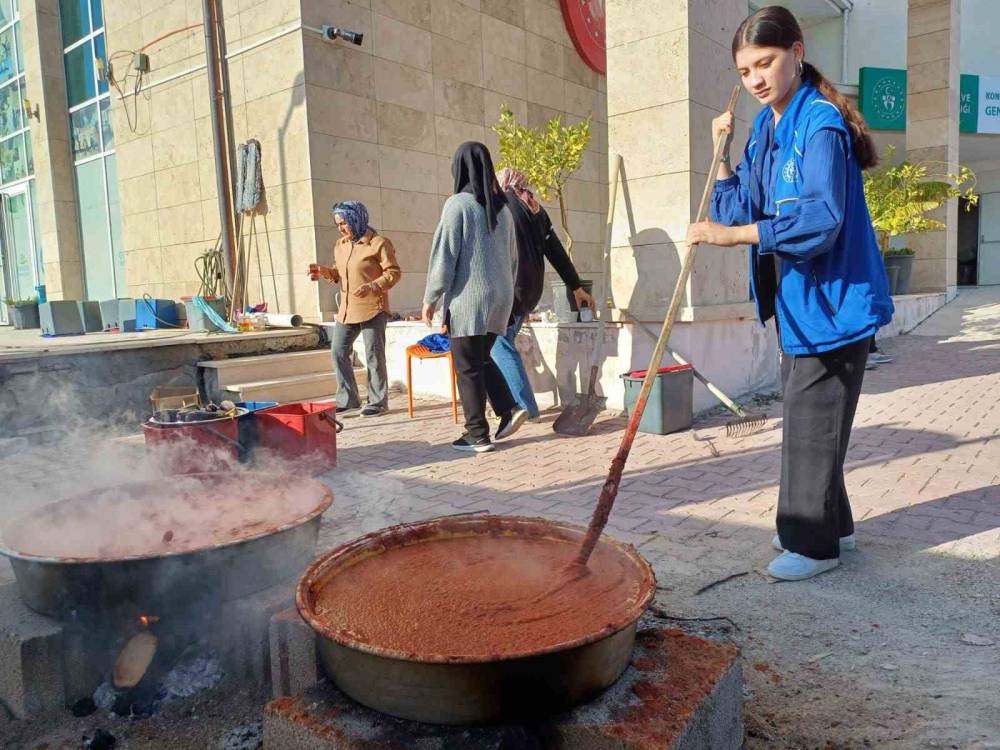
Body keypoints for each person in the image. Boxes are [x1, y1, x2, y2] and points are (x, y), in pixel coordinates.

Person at [685, 5, 894, 581]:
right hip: (798, 304)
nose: (755, 78)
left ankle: (810, 546)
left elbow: (820, 218)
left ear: (796, 53)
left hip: (833, 303)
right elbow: (740, 205)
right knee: (816, 421)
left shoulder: (819, 123)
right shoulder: (766, 130)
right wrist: (722, 158)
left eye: (766, 62)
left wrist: (733, 236)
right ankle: (837, 530)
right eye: (746, 69)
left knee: (810, 423)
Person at [422, 142, 528, 453]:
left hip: (470, 299)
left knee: (466, 366)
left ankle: (476, 434)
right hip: (500, 298)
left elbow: (445, 255)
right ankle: (509, 407)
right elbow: (513, 260)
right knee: (480, 358)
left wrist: (431, 297)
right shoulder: (502, 209)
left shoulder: (458, 205)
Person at [491, 167, 595, 418]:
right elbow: (556, 251)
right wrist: (576, 286)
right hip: (530, 291)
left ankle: (525, 407)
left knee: (498, 343)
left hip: (512, 290)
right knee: (501, 342)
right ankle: (512, 403)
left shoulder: (502, 207)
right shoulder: (536, 209)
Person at [309, 200, 400, 417]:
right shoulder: (340, 245)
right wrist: (323, 272)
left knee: (373, 355)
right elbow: (339, 273)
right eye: (338, 224)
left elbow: (393, 272)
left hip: (373, 308)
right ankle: (348, 399)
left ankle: (378, 402)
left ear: (356, 219)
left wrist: (373, 286)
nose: (341, 228)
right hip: (347, 309)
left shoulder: (378, 243)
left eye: (344, 223)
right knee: (338, 351)